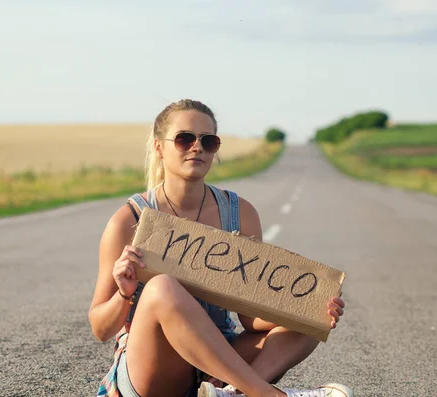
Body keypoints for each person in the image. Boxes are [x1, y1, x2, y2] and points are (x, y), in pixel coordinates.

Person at [88, 99, 351, 397]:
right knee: (162, 288)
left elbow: (249, 317)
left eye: (208, 141)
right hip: (155, 366)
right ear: (159, 147)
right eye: (184, 139)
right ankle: (263, 393)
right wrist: (124, 292)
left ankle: (235, 393)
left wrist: (310, 307)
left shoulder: (240, 213)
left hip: (216, 366)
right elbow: (101, 329)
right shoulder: (128, 221)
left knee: (310, 316)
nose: (196, 148)